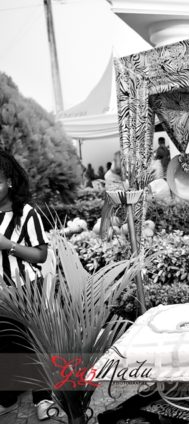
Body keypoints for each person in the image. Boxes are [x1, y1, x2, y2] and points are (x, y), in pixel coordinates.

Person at [0, 151, 57, 420]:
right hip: (0, 292)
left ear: (9, 181)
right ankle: (8, 397)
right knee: (5, 346)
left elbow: (40, 255)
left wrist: (8, 245)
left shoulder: (26, 213)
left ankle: (43, 399)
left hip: (25, 288)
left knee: (30, 344)